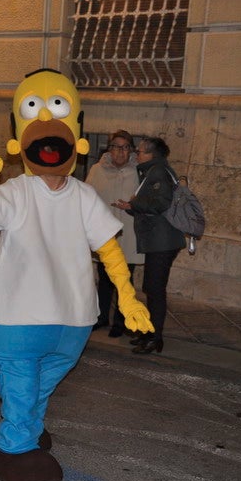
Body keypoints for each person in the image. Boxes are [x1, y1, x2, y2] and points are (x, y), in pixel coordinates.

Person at [0, 69, 152, 481]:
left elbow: (109, 249)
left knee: (42, 381)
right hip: (14, 315)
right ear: (19, 139)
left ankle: (23, 418)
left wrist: (128, 296)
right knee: (23, 380)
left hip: (72, 317)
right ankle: (12, 444)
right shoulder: (17, 190)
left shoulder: (83, 195)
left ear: (78, 138)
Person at [113, 136, 185, 354]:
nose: (137, 154)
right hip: (159, 240)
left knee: (155, 290)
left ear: (152, 154)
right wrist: (132, 206)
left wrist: (134, 203)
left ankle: (155, 338)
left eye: (141, 151)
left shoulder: (158, 172)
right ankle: (149, 333)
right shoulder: (154, 171)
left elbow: (161, 203)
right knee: (151, 289)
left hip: (162, 242)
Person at [85, 130, 145, 337]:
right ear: (109, 149)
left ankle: (121, 320)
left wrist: (133, 206)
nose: (121, 151)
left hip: (129, 232)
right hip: (105, 234)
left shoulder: (139, 172)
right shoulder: (97, 170)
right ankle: (101, 317)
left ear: (131, 150)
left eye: (126, 147)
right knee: (104, 278)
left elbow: (147, 201)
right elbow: (87, 197)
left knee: (125, 279)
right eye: (117, 146)